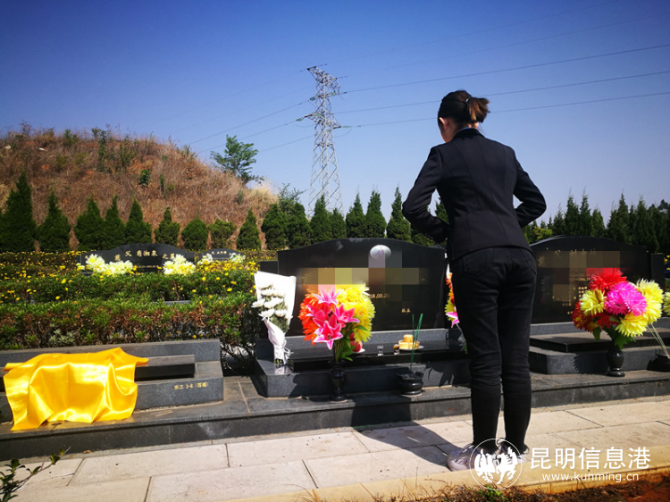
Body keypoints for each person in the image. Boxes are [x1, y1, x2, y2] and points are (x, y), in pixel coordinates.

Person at [402, 90, 546, 471]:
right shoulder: (505, 153)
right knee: (516, 359)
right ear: (476, 119)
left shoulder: (442, 153)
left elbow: (412, 207)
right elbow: (537, 202)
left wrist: (452, 233)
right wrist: (505, 224)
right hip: (520, 259)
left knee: (486, 359)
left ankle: (482, 453)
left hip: (475, 260)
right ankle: (514, 451)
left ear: (444, 123)